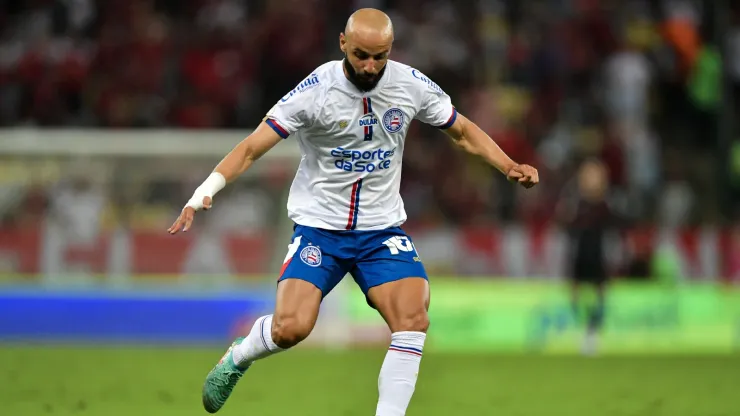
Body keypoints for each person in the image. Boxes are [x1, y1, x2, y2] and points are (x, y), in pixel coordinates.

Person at [168, 8, 539, 416]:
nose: (370, 65)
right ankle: (239, 357)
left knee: (413, 318)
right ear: (343, 44)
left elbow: (463, 132)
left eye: (380, 56)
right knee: (290, 328)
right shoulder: (315, 91)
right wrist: (205, 190)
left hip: (381, 231)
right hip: (319, 230)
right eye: (361, 54)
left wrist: (508, 165)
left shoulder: (410, 85)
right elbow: (253, 147)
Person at [560, 159, 613, 355]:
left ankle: (593, 331)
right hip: (580, 253)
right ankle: (581, 329)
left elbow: (612, 230)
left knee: (599, 294)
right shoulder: (576, 205)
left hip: (598, 254)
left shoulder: (604, 207)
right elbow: (567, 226)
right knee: (576, 294)